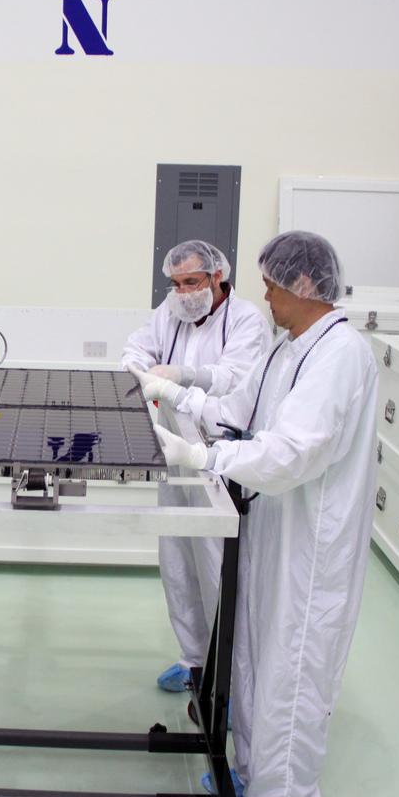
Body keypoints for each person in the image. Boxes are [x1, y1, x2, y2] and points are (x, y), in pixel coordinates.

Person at [137, 230, 378, 797]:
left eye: (272, 285)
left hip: (311, 542)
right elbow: (238, 410)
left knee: (291, 673)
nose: (264, 296)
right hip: (272, 526)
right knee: (252, 654)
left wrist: (205, 456)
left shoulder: (340, 356)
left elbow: (292, 452)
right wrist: (180, 398)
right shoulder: (289, 344)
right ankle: (246, 771)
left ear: (302, 285)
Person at [121, 239, 268, 692]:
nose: (183, 292)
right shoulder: (172, 311)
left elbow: (235, 378)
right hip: (174, 451)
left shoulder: (246, 321)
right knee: (177, 560)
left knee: (215, 567)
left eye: (192, 282)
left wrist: (183, 374)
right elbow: (136, 348)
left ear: (217, 277)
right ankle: (192, 659)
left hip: (216, 455)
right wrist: (142, 369)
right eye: (176, 283)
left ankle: (226, 678)